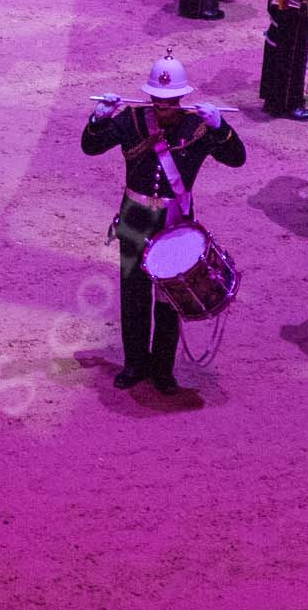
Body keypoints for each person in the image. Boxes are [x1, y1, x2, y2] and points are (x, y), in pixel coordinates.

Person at [81, 55, 245, 396]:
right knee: (133, 293)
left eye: (170, 102)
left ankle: (162, 369)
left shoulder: (196, 128)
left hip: (174, 222)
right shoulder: (132, 120)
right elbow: (91, 147)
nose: (164, 108)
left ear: (181, 98)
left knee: (171, 298)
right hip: (134, 219)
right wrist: (98, 120)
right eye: (158, 100)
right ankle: (135, 363)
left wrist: (220, 128)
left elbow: (236, 158)